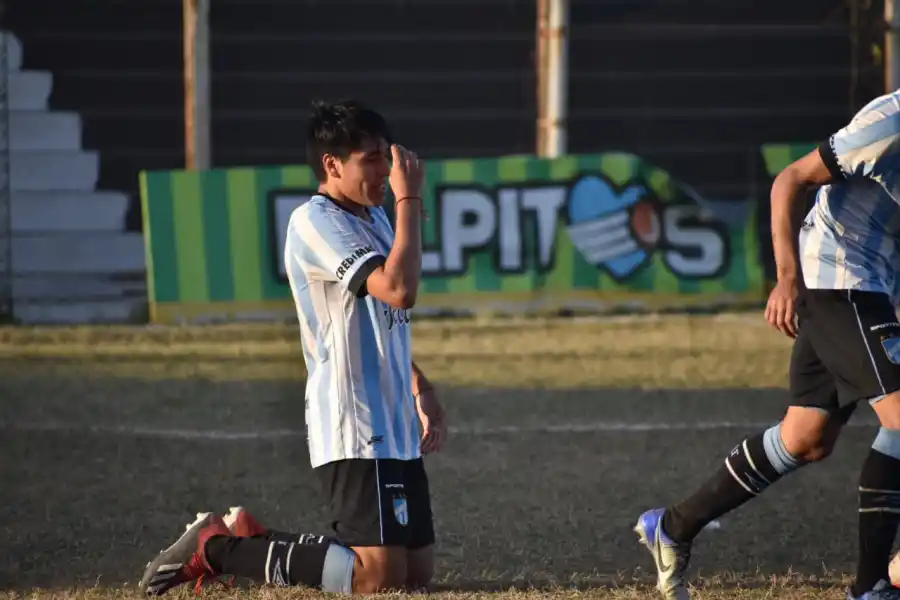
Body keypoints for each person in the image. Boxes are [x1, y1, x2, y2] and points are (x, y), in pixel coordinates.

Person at [138, 99, 447, 596]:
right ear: (332, 164)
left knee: (415, 574)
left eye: (387, 157)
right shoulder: (315, 220)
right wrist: (409, 201)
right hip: (355, 421)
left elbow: (381, 319)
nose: (385, 170)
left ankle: (252, 538)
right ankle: (215, 548)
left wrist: (420, 385)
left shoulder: (374, 218)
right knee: (377, 579)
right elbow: (399, 290)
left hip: (393, 419)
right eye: (371, 158)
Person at [635, 89, 900, 600]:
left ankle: (672, 527)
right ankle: (871, 587)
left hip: (874, 287)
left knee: (806, 437)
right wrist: (785, 278)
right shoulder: (890, 122)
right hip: (837, 280)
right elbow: (791, 180)